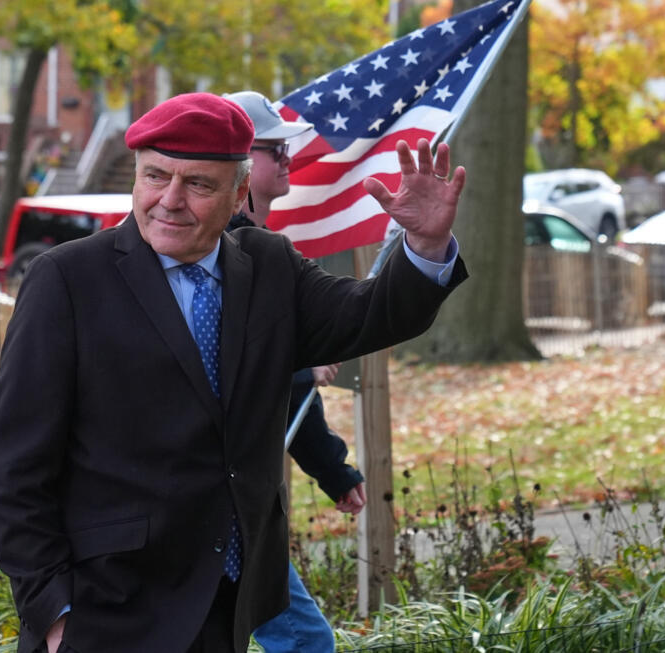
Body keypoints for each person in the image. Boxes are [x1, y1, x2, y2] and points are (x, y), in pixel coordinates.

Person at [0, 92, 467, 653]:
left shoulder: (269, 265)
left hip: (228, 601)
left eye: (198, 185)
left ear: (239, 193)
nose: (170, 200)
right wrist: (56, 612)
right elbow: (12, 471)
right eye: (155, 177)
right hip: (108, 611)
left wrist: (425, 245)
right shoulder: (66, 281)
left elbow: (368, 316)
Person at [225, 90, 365, 652]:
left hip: (234, 509)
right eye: (274, 150)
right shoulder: (219, 252)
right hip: (207, 507)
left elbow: (273, 385)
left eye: (287, 150)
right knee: (308, 644)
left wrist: (333, 469)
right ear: (237, 159)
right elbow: (239, 375)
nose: (288, 161)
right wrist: (299, 365)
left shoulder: (262, 253)